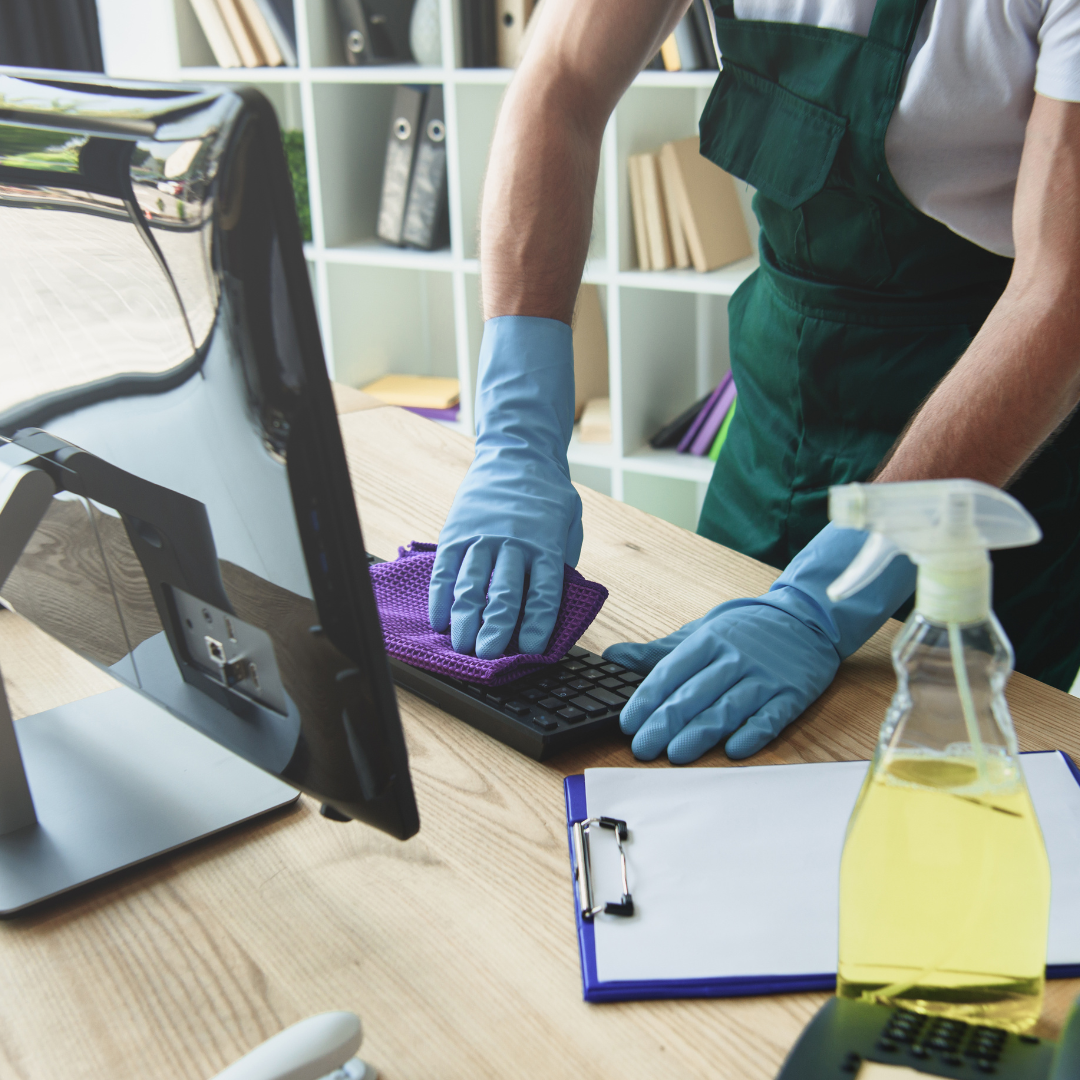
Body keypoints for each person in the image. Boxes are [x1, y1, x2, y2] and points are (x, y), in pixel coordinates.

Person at [429, 0, 1080, 763]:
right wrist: (517, 435)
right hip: (779, 419)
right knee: (676, 755)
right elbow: (560, 79)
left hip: (992, 461)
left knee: (933, 785)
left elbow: (1061, 294)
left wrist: (826, 599)